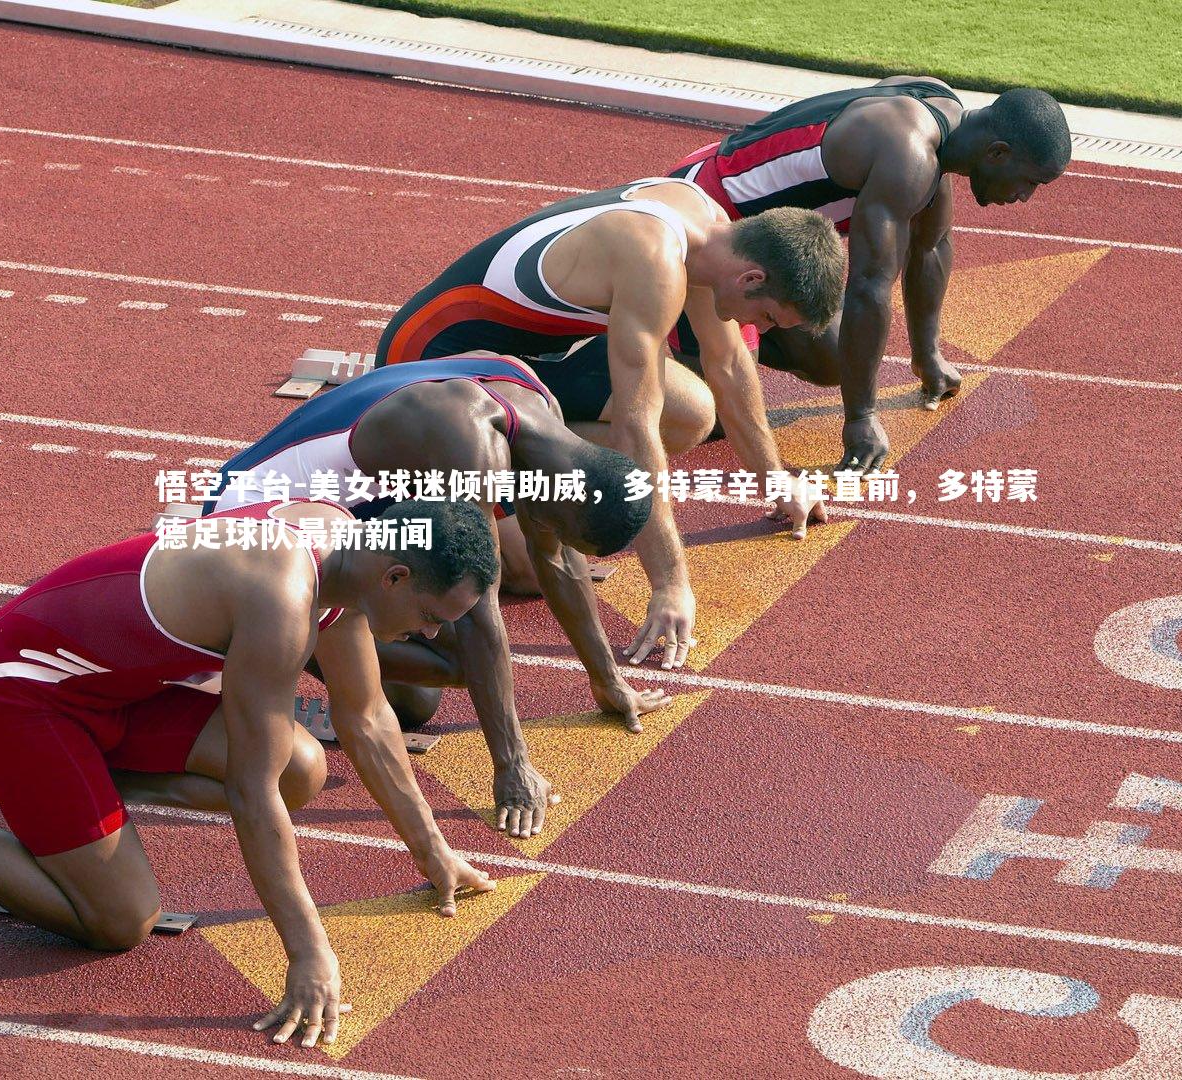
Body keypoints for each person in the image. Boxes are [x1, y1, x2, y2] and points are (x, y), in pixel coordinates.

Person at [0, 499, 499, 1049]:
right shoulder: (283, 595)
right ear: (398, 576)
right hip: (18, 690)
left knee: (303, 767)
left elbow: (370, 718)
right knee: (121, 919)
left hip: (112, 695)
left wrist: (433, 853)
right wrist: (308, 953)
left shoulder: (351, 557)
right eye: (434, 619)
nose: (433, 637)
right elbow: (249, 793)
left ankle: (72, 807)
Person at [376, 176, 846, 667]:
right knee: (524, 569)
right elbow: (634, 427)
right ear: (751, 279)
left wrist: (775, 479)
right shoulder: (655, 260)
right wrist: (669, 584)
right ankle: (494, 459)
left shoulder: (713, 233)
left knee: (691, 414)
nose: (761, 330)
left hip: (521, 357)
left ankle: (516, 457)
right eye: (768, 318)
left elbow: (727, 364)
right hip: (429, 359)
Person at [205, 352, 670, 838]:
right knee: (453, 664)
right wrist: (512, 767)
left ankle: (317, 645)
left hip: (338, 512)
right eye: (562, 528)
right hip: (252, 526)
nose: (554, 541)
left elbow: (555, 557)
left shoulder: (540, 414)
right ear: (565, 499)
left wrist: (608, 680)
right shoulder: (468, 447)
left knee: (424, 694)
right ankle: (283, 644)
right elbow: (476, 612)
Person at [670, 82, 1072, 471]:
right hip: (706, 222)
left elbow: (930, 244)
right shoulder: (907, 155)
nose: (1024, 196)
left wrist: (927, 355)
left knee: (833, 356)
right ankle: (651, 327)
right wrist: (860, 417)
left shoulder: (942, 118)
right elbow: (868, 287)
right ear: (998, 153)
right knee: (715, 414)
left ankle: (717, 337)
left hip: (751, 237)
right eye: (1030, 182)